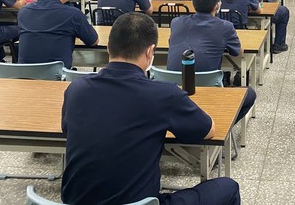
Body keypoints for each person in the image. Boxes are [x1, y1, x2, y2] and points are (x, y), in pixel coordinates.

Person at [61, 12, 241, 205]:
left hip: (74, 202)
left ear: (108, 48)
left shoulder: (75, 90)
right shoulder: (164, 94)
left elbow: (68, 130)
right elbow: (207, 130)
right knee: (228, 188)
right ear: (150, 52)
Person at [166, 0, 256, 122]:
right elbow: (238, 53)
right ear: (217, 5)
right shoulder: (225, 27)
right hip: (209, 90)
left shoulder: (176, 22)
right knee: (249, 94)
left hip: (174, 91)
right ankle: (224, 123)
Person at [18, 0, 98, 68]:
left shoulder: (24, 11)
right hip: (57, 77)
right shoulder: (73, 14)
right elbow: (93, 41)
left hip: (25, 76)